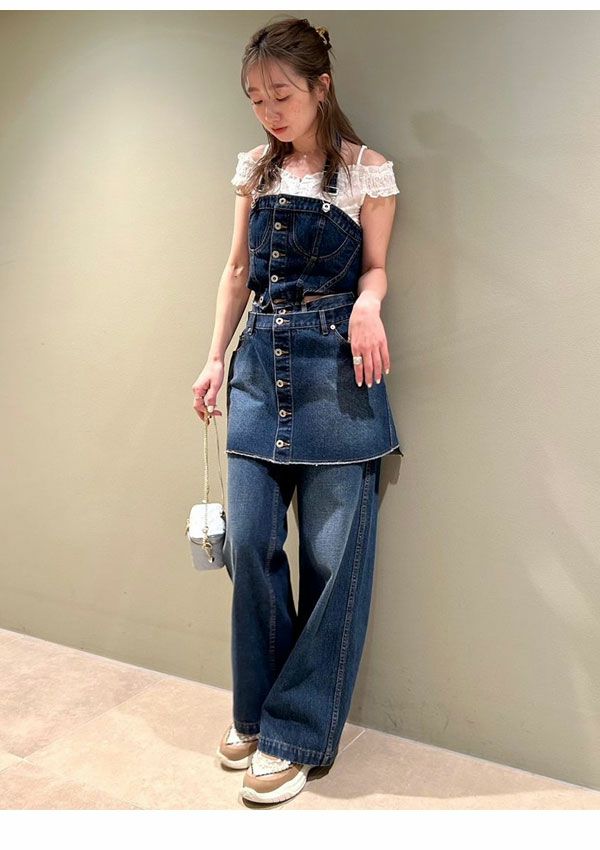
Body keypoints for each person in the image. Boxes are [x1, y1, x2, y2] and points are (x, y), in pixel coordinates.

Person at [191, 16, 404, 806]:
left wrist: (368, 306)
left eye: (281, 93)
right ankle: (257, 710)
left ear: (320, 85)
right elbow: (236, 269)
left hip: (338, 376)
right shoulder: (254, 169)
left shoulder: (367, 172)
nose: (269, 111)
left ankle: (297, 732)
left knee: (330, 561)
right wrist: (215, 356)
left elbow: (376, 268)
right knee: (249, 545)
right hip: (257, 367)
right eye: (255, 98)